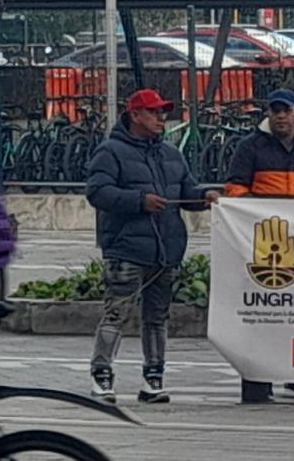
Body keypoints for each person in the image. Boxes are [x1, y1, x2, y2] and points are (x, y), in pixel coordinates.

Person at [86, 89, 219, 404]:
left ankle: (154, 377)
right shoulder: (110, 152)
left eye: (163, 112)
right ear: (135, 115)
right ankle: (102, 375)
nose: (161, 118)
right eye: (153, 112)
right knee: (116, 313)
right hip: (126, 249)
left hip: (166, 250)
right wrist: (138, 201)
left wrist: (204, 197)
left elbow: (186, 190)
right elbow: (97, 192)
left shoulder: (171, 154)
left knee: (158, 317)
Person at [225, 88, 294, 399]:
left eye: (286, 111)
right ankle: (257, 382)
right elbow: (234, 187)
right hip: (264, 242)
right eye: (275, 111)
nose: (280, 117)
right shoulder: (250, 147)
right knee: (263, 314)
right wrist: (260, 212)